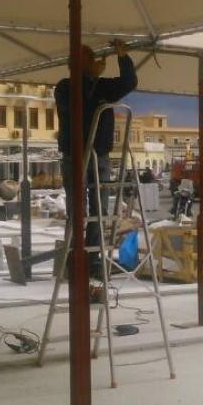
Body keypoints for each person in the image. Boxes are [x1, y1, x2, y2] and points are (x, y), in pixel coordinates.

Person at [55, 39, 137, 280]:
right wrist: (90, 78)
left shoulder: (100, 86)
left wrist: (123, 58)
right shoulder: (65, 87)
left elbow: (129, 82)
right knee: (76, 210)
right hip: (75, 155)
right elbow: (80, 104)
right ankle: (76, 257)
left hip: (98, 154)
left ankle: (92, 259)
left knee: (99, 210)